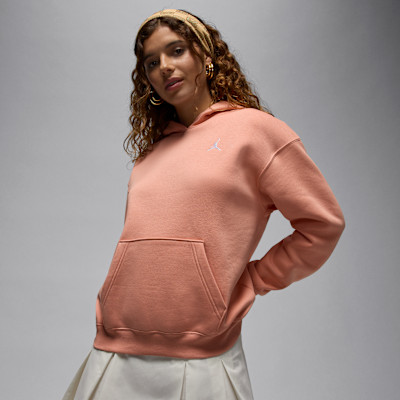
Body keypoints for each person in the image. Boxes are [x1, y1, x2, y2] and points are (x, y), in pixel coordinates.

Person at [63, 8, 345, 400]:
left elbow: (323, 223)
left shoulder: (255, 131)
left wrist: (254, 279)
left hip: (200, 353)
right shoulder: (153, 152)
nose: (164, 66)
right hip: (117, 343)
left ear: (206, 56)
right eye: (151, 62)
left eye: (176, 50)